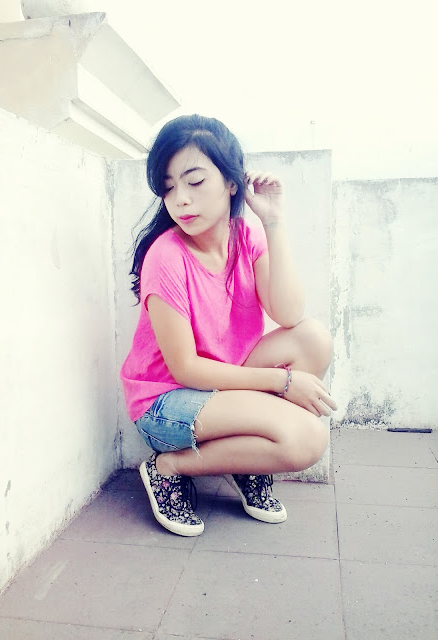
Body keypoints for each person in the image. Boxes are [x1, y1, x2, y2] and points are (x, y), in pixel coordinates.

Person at [121, 114, 337, 537]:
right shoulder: (166, 257)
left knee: (313, 339)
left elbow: (289, 313)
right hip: (166, 401)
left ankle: (245, 462)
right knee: (307, 439)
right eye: (168, 187)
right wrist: (282, 383)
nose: (181, 200)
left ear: (231, 182)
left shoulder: (245, 236)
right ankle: (168, 467)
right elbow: (185, 369)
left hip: (221, 382)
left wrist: (273, 222)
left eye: (195, 181)